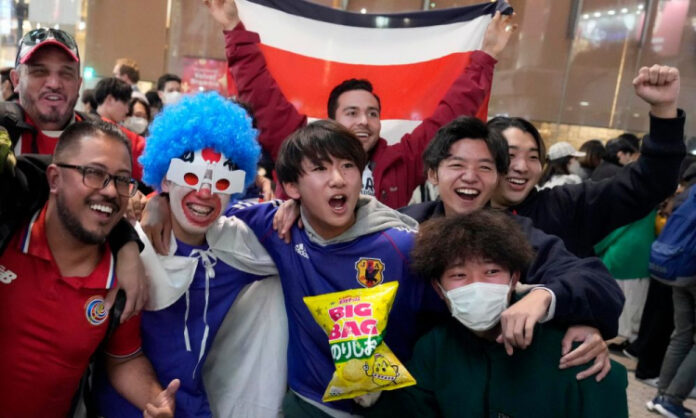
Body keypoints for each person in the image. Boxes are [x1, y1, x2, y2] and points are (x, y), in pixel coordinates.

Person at [203, 0, 516, 208]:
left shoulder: (402, 161)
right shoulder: (298, 147)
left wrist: (486, 56)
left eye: (372, 113)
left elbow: (450, 114)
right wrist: (233, 28)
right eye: (351, 113)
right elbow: (261, 92)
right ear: (331, 121)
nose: (364, 121)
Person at [95, 92, 287, 417]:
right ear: (166, 179)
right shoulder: (130, 245)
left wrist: (293, 208)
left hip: (196, 408)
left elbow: (306, 237)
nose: (206, 191)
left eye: (223, 180)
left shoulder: (237, 245)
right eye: (190, 175)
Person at [366, 210, 629, 418]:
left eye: (491, 272)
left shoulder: (574, 352)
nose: (476, 285)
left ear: (514, 278)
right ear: (439, 288)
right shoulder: (434, 350)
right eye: (459, 275)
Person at [0, 120, 179, 417]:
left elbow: (123, 358)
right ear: (54, 179)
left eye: (122, 180)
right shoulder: (7, 231)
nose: (111, 191)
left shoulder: (124, 282)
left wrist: (155, 400)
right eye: (94, 173)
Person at [0, 27, 146, 318]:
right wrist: (126, 239)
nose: (54, 83)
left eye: (66, 73)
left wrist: (153, 212)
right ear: (16, 80)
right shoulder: (4, 130)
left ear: (79, 84)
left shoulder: (105, 137)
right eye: (39, 71)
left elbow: (167, 171)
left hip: (78, 307)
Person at [486, 64, 685, 257]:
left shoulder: (564, 207)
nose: (522, 167)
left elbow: (650, 182)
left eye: (533, 157)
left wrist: (664, 110)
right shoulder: (469, 214)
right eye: (510, 155)